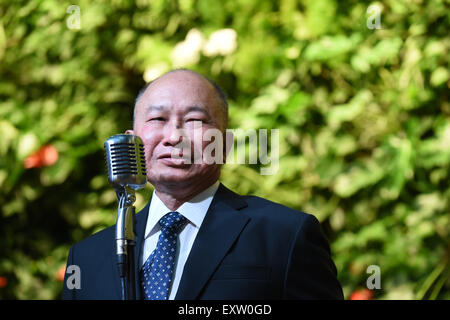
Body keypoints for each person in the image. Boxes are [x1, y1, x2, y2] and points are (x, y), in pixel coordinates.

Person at [62, 69, 344, 300]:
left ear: (225, 144)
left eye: (195, 120)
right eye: (158, 119)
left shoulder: (285, 236)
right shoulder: (88, 257)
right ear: (131, 140)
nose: (174, 136)